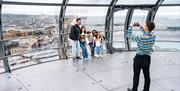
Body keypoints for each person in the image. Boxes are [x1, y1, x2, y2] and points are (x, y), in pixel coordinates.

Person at [127, 21, 156, 91]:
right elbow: (147, 33)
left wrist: (130, 26)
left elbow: (129, 35)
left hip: (139, 58)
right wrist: (140, 27)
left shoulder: (140, 37)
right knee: (147, 75)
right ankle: (146, 90)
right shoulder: (153, 36)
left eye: (145, 25)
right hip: (147, 58)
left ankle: (134, 89)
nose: (144, 26)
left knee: (136, 75)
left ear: (147, 27)